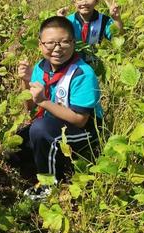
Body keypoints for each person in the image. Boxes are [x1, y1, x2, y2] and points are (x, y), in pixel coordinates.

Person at [12, 16, 103, 200]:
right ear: (40, 45)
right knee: (15, 147)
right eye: (50, 43)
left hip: (86, 130)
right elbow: (30, 109)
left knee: (41, 131)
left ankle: (50, 185)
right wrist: (26, 82)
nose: (57, 49)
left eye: (64, 42)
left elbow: (80, 119)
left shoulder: (82, 73)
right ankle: (53, 163)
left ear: (73, 42)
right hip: (53, 123)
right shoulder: (41, 67)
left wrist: (44, 101)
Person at [57, 0, 123, 44]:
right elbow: (60, 42)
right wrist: (61, 23)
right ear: (74, 2)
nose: (84, 3)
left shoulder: (104, 21)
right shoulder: (68, 21)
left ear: (97, 1)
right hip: (73, 62)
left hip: (98, 61)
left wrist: (117, 19)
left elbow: (118, 38)